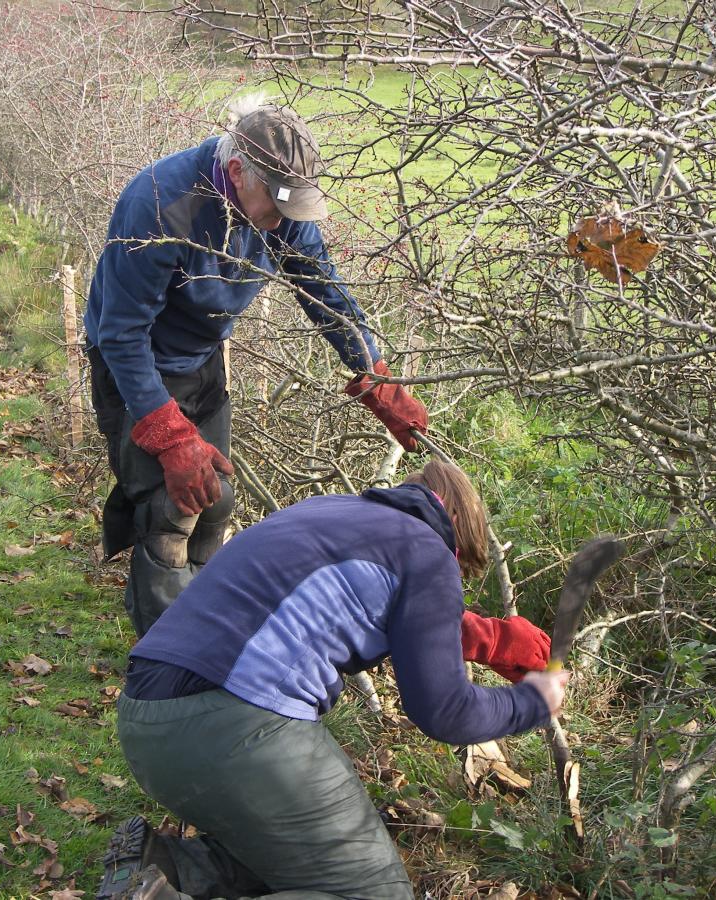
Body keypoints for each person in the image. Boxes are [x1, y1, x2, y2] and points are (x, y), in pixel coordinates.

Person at [95, 460, 569, 900]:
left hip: (145, 718)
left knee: (312, 860)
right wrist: (533, 701)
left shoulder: (329, 511)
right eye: (461, 566)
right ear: (458, 536)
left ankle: (164, 865)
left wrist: (490, 640)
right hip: (234, 729)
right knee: (373, 893)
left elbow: (370, 611)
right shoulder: (428, 551)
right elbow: (446, 712)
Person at [85, 96, 430, 637]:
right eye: (274, 207)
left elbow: (325, 292)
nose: (280, 224)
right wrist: (170, 437)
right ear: (238, 170)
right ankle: (164, 666)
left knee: (216, 504)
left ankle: (199, 634)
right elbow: (122, 334)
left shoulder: (280, 209)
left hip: (202, 359)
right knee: (172, 511)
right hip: (135, 365)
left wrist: (376, 379)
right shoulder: (161, 202)